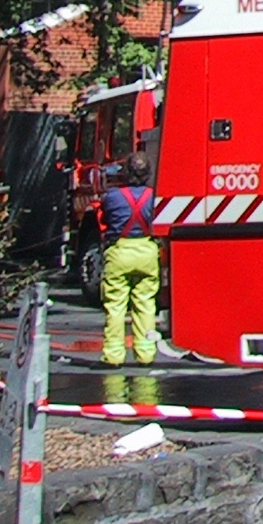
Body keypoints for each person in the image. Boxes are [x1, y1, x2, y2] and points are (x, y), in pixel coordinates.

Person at [99, 152, 160, 368]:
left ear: (126, 172)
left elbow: (105, 220)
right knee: (145, 304)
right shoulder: (154, 197)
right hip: (147, 250)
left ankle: (113, 355)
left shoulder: (113, 197)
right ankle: (145, 353)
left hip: (120, 251)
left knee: (115, 305)